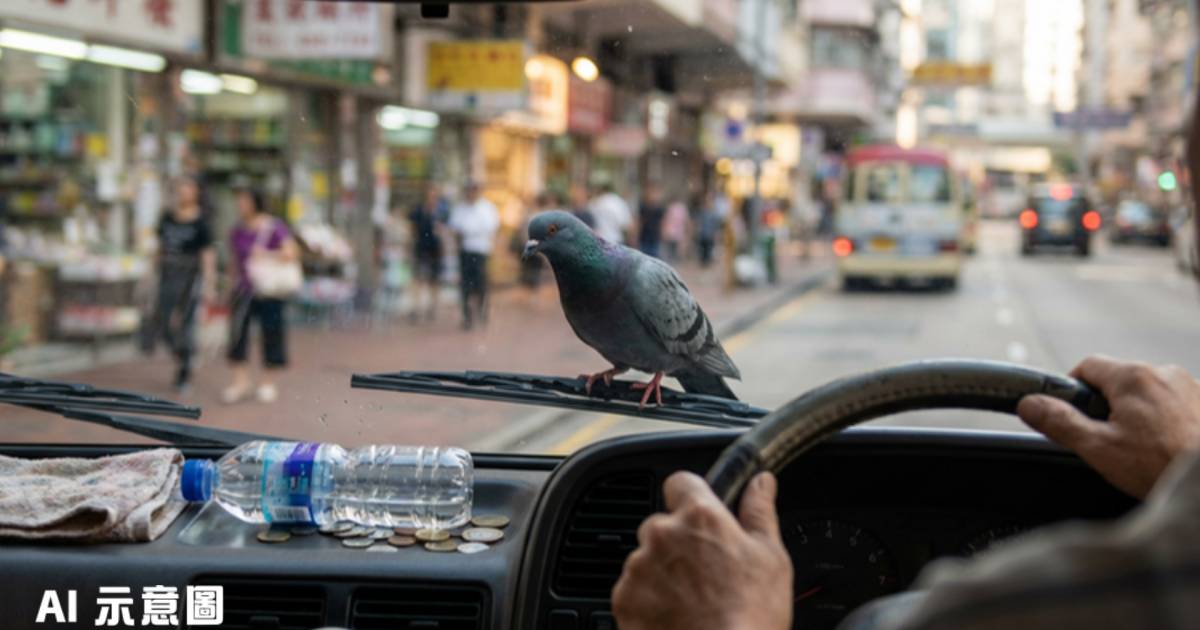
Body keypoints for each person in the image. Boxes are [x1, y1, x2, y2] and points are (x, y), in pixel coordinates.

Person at [222, 188, 299, 404]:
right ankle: (240, 382)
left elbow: (291, 252)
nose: (240, 205)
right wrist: (230, 286)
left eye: (244, 201)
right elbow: (234, 260)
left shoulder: (273, 226)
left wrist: (265, 254)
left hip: (269, 290)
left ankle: (268, 382)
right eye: (239, 201)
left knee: (272, 333)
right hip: (243, 290)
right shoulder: (237, 230)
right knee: (237, 335)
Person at [152, 177, 216, 393]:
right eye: (180, 188)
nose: (183, 192)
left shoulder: (201, 221)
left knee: (186, 324)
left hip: (189, 277)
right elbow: (159, 246)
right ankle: (183, 355)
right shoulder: (167, 217)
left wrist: (209, 283)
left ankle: (184, 371)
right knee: (162, 323)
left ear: (196, 192)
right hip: (167, 275)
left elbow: (207, 254)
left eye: (188, 188)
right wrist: (150, 273)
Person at [448, 182, 499, 331]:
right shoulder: (460, 208)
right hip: (465, 250)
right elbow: (455, 227)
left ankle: (482, 309)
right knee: (465, 284)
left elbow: (490, 227)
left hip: (481, 250)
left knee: (481, 283)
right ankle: (467, 315)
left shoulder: (487, 208)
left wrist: (470, 231)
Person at [407, 184, 448, 323]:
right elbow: (412, 228)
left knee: (434, 280)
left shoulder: (441, 212)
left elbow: (445, 230)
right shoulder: (419, 210)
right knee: (418, 279)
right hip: (421, 248)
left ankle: (432, 308)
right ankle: (415, 308)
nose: (432, 199)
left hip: (435, 250)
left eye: (434, 196)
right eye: (430, 196)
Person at [637, 183, 667, 258]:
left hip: (654, 238)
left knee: (654, 258)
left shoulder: (659, 209)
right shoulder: (643, 207)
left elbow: (662, 223)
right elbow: (640, 222)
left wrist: (662, 234)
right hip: (644, 238)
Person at [662, 197, 691, 262]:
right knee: (671, 252)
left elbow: (686, 221)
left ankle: (673, 263)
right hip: (672, 233)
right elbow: (666, 220)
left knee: (674, 252)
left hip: (675, 233)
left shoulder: (679, 208)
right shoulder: (679, 208)